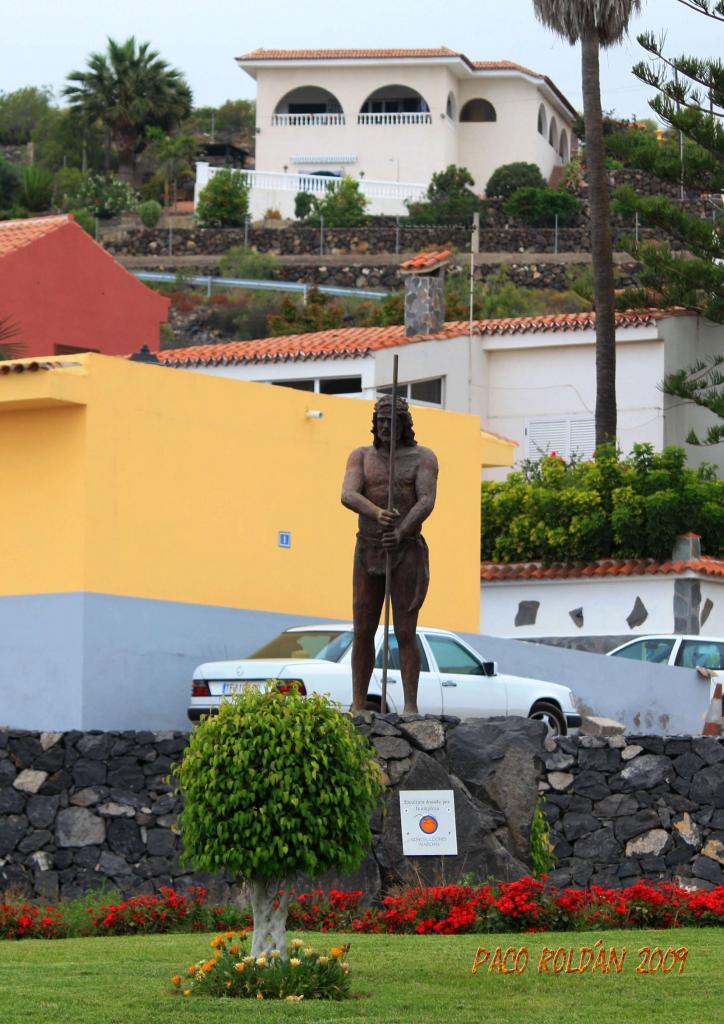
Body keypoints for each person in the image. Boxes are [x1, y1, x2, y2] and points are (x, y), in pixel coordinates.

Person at [341, 395, 438, 714]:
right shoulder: (360, 456)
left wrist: (400, 531)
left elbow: (425, 501)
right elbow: (348, 494)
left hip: (405, 551)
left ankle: (410, 706)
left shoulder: (423, 457)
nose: (385, 427)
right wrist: (376, 512)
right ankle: (358, 704)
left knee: (406, 631)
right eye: (381, 421)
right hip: (367, 549)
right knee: (363, 629)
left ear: (404, 425)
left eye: (392, 422)